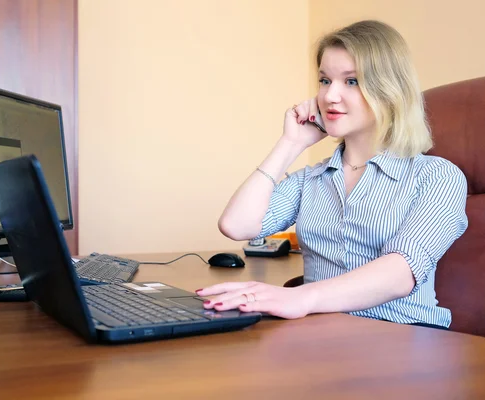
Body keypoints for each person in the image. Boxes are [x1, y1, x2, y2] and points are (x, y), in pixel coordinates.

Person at [196, 20, 469, 329]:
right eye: (325, 81)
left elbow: (400, 274)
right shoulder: (310, 180)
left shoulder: (437, 177)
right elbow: (236, 225)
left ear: (389, 90)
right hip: (321, 335)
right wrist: (290, 144)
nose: (329, 96)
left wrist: (301, 299)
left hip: (401, 336)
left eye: (351, 81)